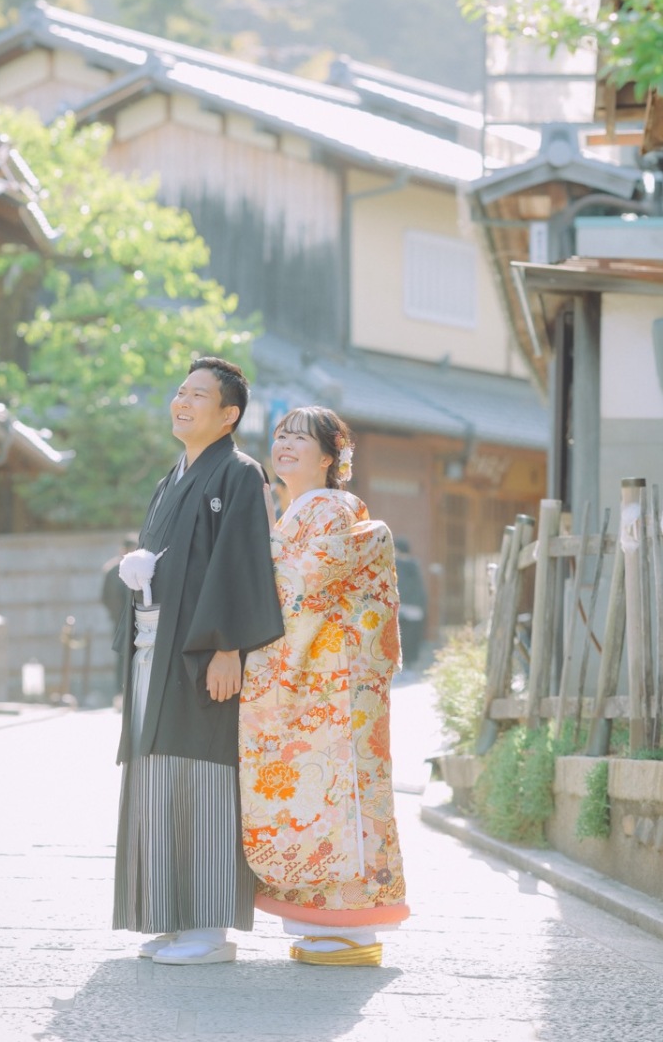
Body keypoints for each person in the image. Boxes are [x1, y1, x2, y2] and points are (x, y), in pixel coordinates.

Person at [112, 356, 284, 966]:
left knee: (205, 774)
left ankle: (210, 928)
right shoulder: (172, 478)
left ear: (229, 414)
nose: (181, 402)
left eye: (197, 395)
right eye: (179, 392)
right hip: (156, 650)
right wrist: (133, 573)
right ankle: (173, 915)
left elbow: (242, 562)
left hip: (203, 652)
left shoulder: (238, 474)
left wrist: (229, 646)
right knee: (159, 772)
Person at [239, 406, 409, 967]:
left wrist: (250, 547)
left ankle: (350, 927)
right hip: (318, 681)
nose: (284, 445)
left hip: (331, 684)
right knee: (317, 796)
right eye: (280, 436)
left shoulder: (330, 509)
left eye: (300, 438)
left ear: (330, 457)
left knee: (339, 797)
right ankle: (327, 926)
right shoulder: (297, 512)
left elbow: (303, 583)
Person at [100, 532, 138, 695]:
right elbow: (107, 598)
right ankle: (120, 692)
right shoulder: (113, 570)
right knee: (122, 657)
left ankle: (132, 691)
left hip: (137, 621)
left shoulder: (141, 567)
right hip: (120, 621)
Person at [394, 538, 427, 666]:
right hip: (416, 607)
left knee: (401, 637)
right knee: (413, 637)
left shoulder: (398, 564)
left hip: (402, 606)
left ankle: (402, 665)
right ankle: (411, 664)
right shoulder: (414, 564)